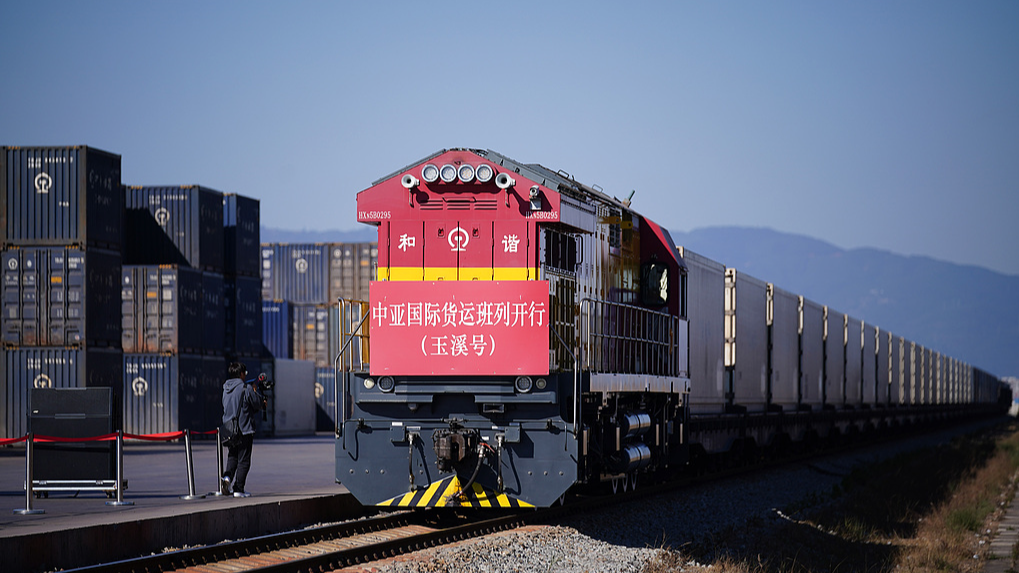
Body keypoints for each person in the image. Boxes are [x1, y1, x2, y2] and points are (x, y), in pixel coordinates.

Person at [221, 361, 264, 497]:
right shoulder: (246, 388)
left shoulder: (225, 389)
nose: (245, 376)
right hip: (244, 429)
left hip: (229, 429)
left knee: (232, 456)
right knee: (244, 460)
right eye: (244, 373)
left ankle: (227, 478)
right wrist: (260, 397)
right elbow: (257, 404)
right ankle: (238, 489)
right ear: (240, 374)